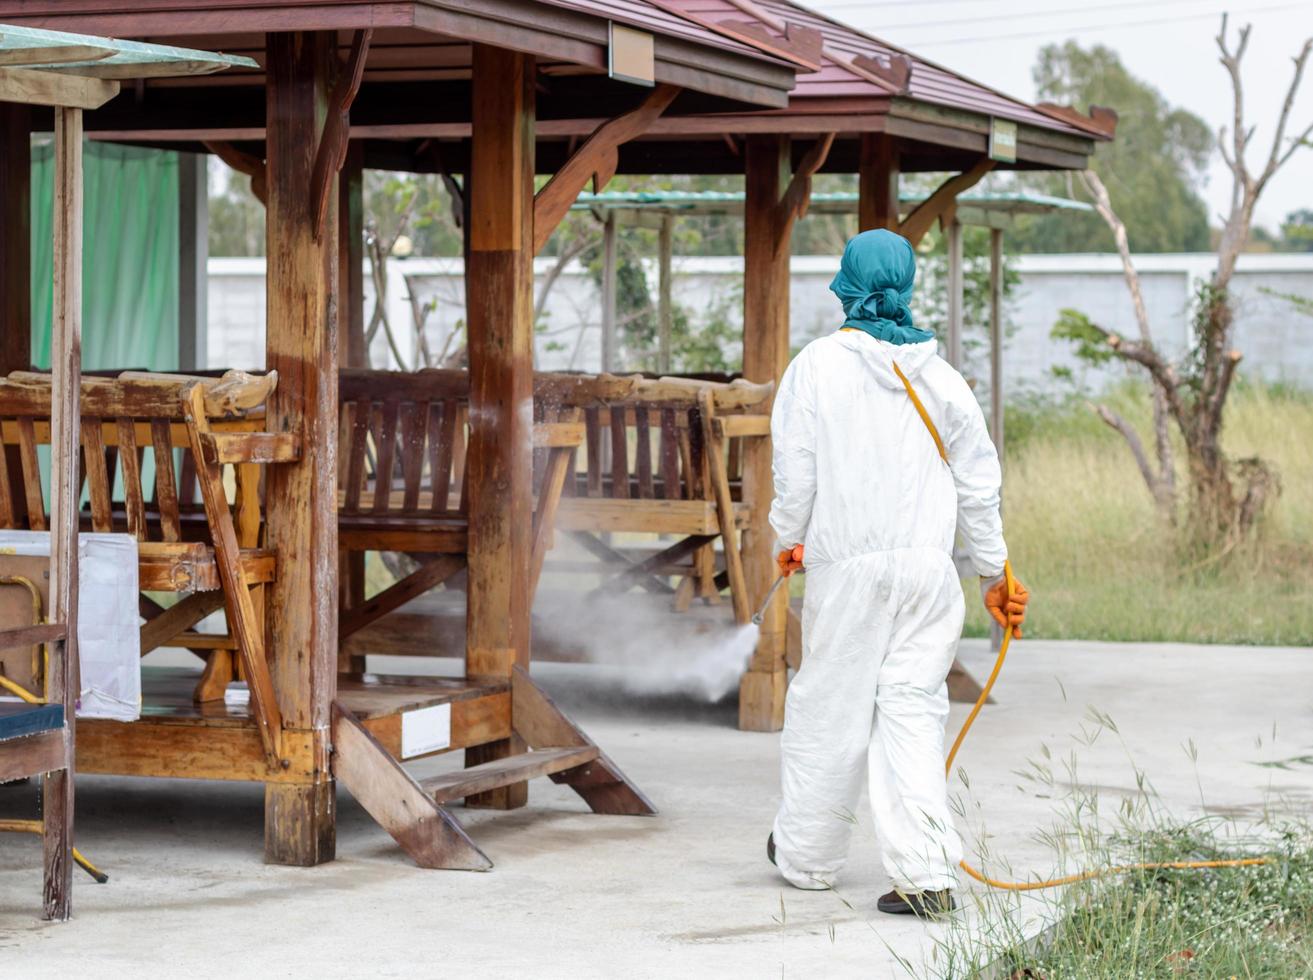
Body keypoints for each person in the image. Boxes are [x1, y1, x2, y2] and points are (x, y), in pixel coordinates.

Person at [764, 228, 1028, 918]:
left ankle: (805, 858)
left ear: (846, 286)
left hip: (848, 571)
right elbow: (978, 486)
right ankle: (926, 875)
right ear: (908, 287)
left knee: (829, 710)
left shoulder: (817, 366)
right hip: (927, 575)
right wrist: (994, 575)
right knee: (911, 713)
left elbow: (795, 475)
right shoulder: (940, 378)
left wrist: (787, 539)